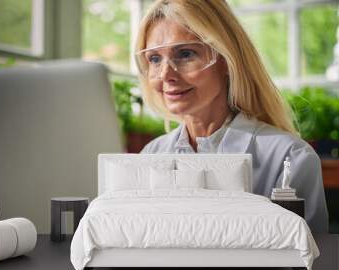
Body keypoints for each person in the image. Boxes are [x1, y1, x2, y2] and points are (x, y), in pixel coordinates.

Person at [135, 0, 328, 232]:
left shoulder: (290, 158)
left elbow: (307, 261)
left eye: (185, 54)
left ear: (227, 58)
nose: (166, 74)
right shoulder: (151, 155)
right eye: (155, 59)